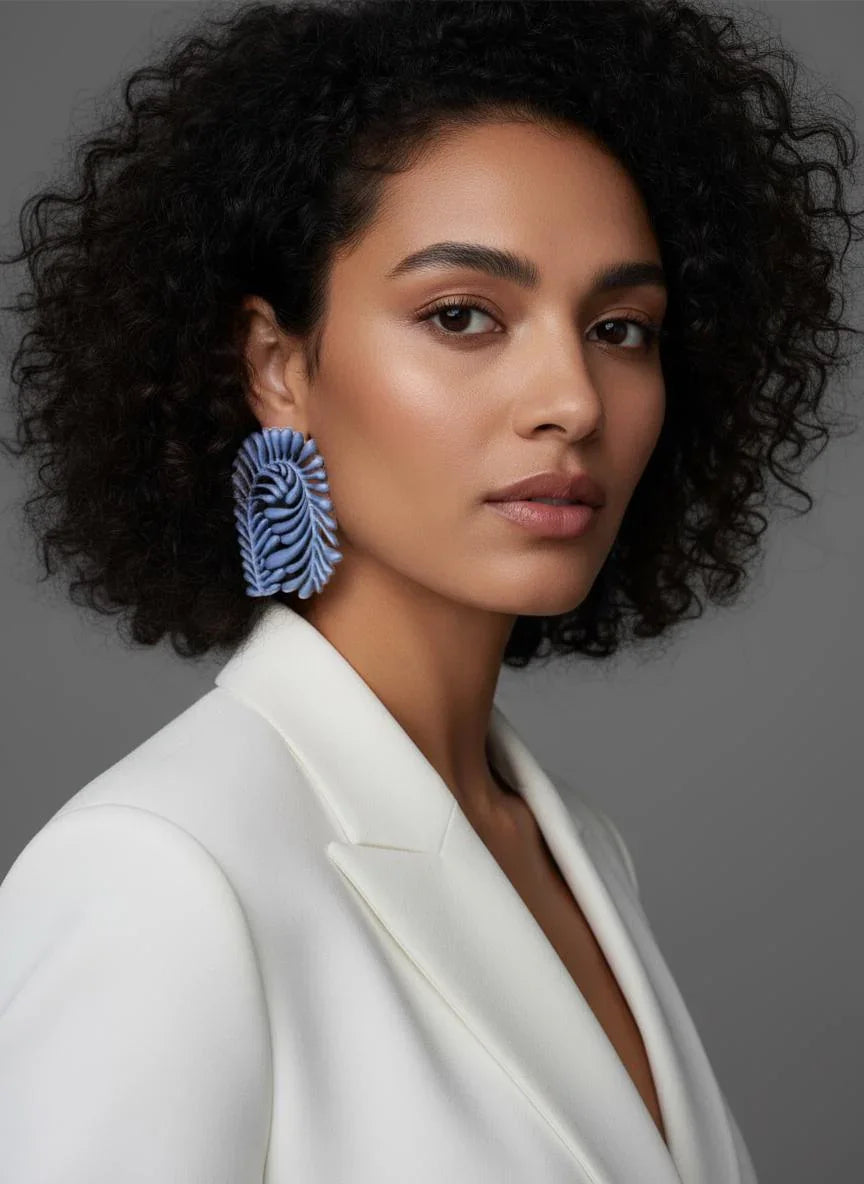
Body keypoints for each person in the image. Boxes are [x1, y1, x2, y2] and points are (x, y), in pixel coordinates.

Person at [0, 1, 860, 1181]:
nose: (574, 399)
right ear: (277, 367)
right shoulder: (161, 872)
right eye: (463, 316)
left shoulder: (580, 849)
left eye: (621, 327)